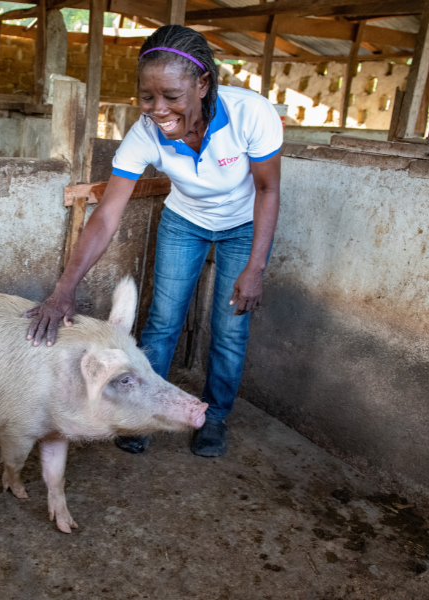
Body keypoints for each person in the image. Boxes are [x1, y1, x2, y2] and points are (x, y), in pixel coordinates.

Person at [26, 24, 282, 458]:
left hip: (243, 226)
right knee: (162, 321)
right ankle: (143, 413)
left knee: (230, 329)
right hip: (184, 221)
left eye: (171, 96)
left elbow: (267, 191)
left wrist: (254, 268)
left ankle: (214, 417)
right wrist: (63, 290)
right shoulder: (145, 132)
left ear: (202, 84)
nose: (158, 109)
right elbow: (107, 213)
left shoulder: (250, 115)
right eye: (147, 97)